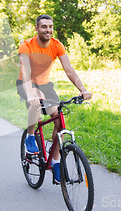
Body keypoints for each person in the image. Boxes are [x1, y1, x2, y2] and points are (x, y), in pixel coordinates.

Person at [17, 14, 92, 183]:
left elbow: (69, 70)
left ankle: (56, 161)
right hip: (26, 84)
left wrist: (83, 89)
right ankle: (30, 136)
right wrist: (31, 93)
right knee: (35, 103)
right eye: (44, 26)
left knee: (59, 121)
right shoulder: (26, 45)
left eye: (50, 26)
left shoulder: (57, 45)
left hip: (45, 85)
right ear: (36, 29)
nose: (48, 30)